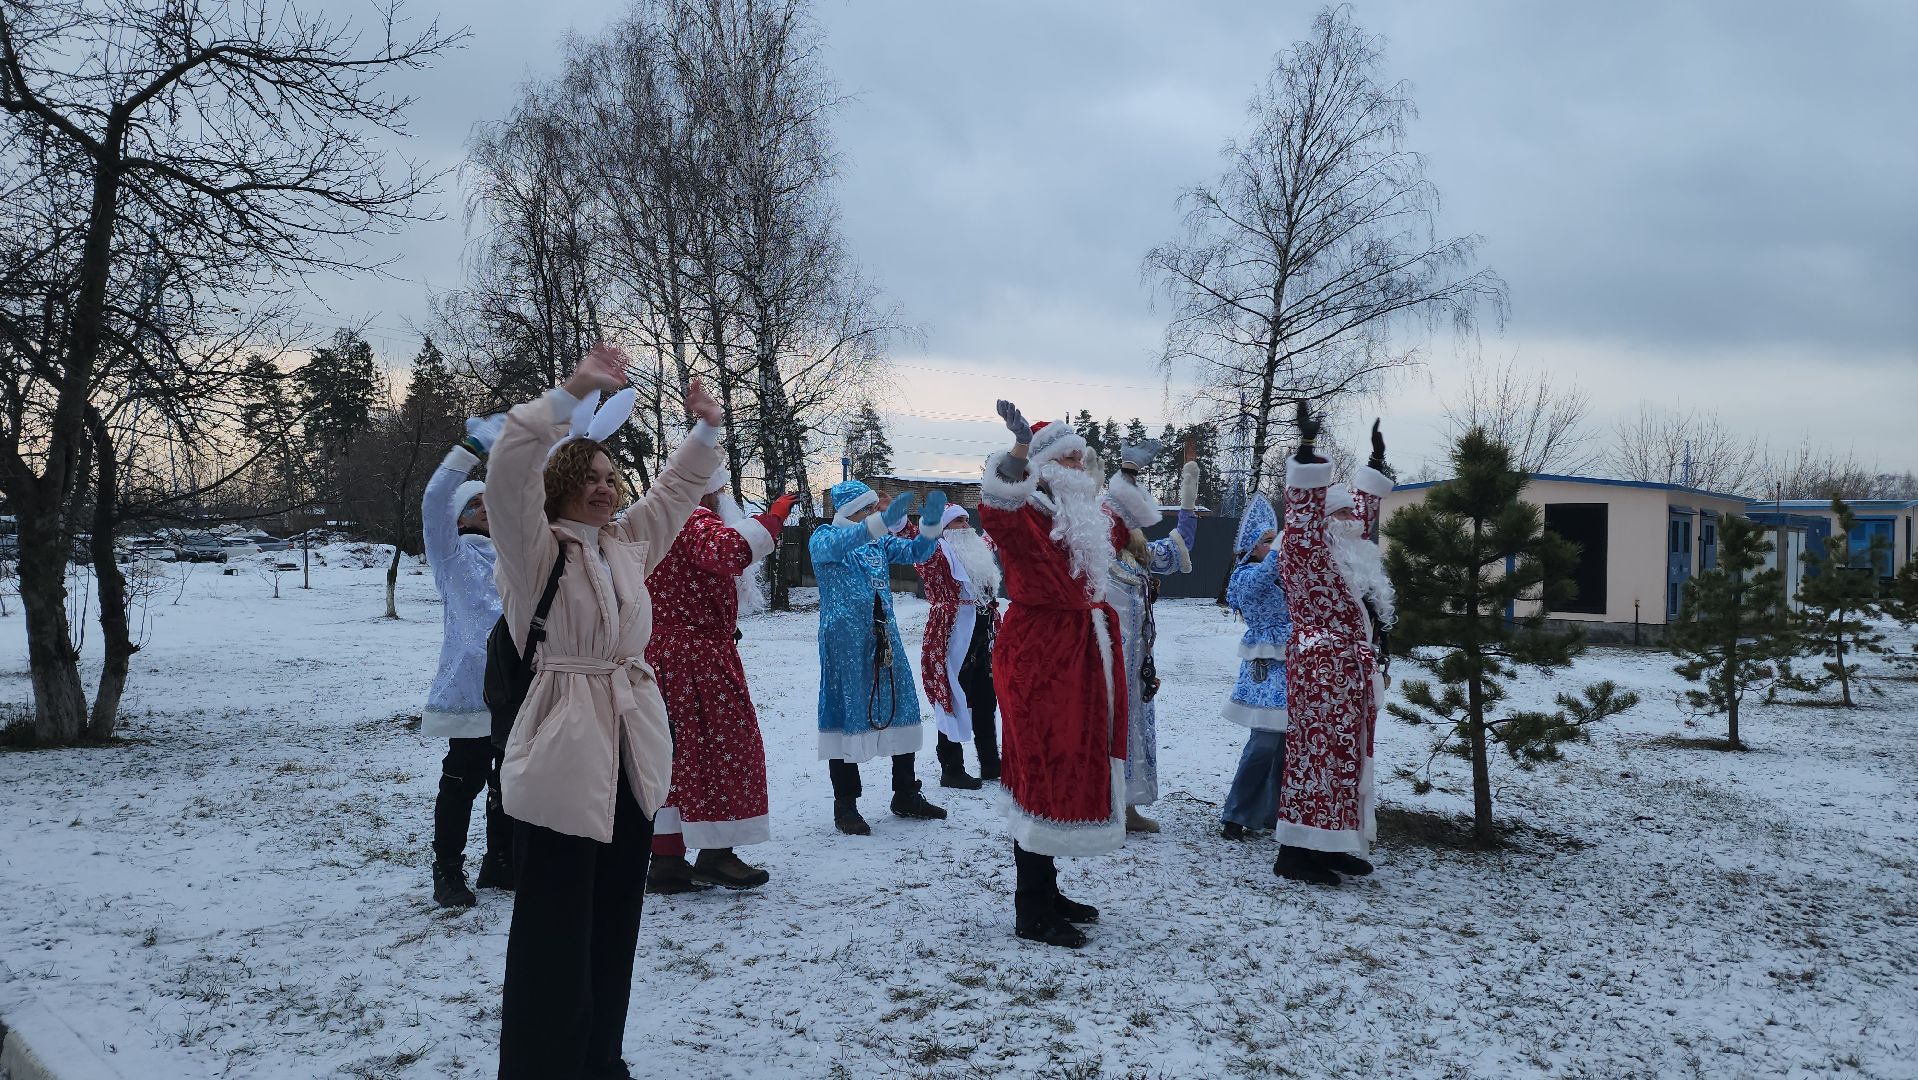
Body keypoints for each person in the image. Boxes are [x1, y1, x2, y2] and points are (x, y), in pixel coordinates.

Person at [488, 343, 722, 1080]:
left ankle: (599, 1060)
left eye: (610, 476)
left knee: (615, 923)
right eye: (588, 477)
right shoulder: (534, 553)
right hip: (563, 755)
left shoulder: (625, 545)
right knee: (553, 935)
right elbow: (507, 473)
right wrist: (569, 394)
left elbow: (675, 494)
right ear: (560, 483)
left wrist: (708, 431)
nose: (605, 487)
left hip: (629, 751)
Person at [978, 403, 1130, 949]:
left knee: (1067, 761)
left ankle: (1048, 888)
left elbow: (1129, 525)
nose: (1077, 463)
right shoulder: (1025, 515)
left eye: (1079, 456)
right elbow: (994, 508)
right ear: (1040, 466)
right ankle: (1031, 908)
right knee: (1041, 767)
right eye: (1063, 456)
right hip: (1040, 657)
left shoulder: (1080, 513)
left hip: (1081, 653)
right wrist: (1017, 451)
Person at [643, 471, 800, 893]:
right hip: (698, 658)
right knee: (725, 748)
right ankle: (717, 854)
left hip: (663, 655)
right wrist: (772, 519)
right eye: (720, 489)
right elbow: (731, 552)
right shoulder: (692, 518)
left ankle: (666, 860)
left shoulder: (655, 521)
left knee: (674, 757)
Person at [1272, 406, 1397, 887]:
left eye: (1353, 512)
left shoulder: (1347, 549)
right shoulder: (1305, 546)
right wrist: (1306, 453)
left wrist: (1376, 464)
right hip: (1321, 665)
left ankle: (1335, 842)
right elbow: (1304, 507)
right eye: (1342, 512)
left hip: (1350, 668)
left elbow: (1363, 514)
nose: (1354, 520)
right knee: (1315, 756)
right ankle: (1296, 852)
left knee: (1347, 756)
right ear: (1322, 519)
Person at [809, 481, 954, 835]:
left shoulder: (877, 542)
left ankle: (905, 792)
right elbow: (847, 541)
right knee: (848, 711)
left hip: (884, 637)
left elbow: (916, 552)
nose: (877, 514)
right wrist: (880, 519)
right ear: (853, 511)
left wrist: (930, 525)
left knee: (902, 705)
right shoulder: (824, 537)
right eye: (871, 509)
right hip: (845, 641)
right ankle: (846, 803)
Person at [420, 415, 511, 909]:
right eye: (473, 504)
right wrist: (471, 449)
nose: (484, 509)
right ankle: (448, 869)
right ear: (457, 519)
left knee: (511, 780)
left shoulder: (517, 556)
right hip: (470, 689)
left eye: (489, 502)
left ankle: (501, 861)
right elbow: (435, 498)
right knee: (463, 780)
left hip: (518, 686)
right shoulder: (452, 557)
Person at [1102, 439, 1200, 833]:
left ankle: (1127, 809)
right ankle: (1100, 807)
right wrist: (1127, 472)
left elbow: (1181, 544)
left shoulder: (1141, 557)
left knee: (1134, 731)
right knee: (1105, 729)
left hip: (1137, 665)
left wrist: (1189, 490)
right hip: (1104, 663)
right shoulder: (1095, 558)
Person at [913, 501, 1003, 789]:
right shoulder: (937, 553)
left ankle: (991, 763)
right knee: (951, 697)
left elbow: (997, 533)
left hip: (982, 633)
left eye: (966, 520)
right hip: (950, 635)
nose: (966, 526)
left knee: (986, 698)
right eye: (958, 522)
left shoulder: (977, 548)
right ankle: (952, 768)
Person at [1217, 493, 1288, 841]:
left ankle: (1274, 814)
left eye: (1275, 541)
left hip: (1294, 663)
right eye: (1267, 541)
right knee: (1263, 743)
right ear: (1252, 546)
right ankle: (1236, 813)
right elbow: (1257, 585)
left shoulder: (1281, 574)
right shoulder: (1244, 575)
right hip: (1264, 666)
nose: (1274, 547)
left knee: (1287, 746)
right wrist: (1280, 550)